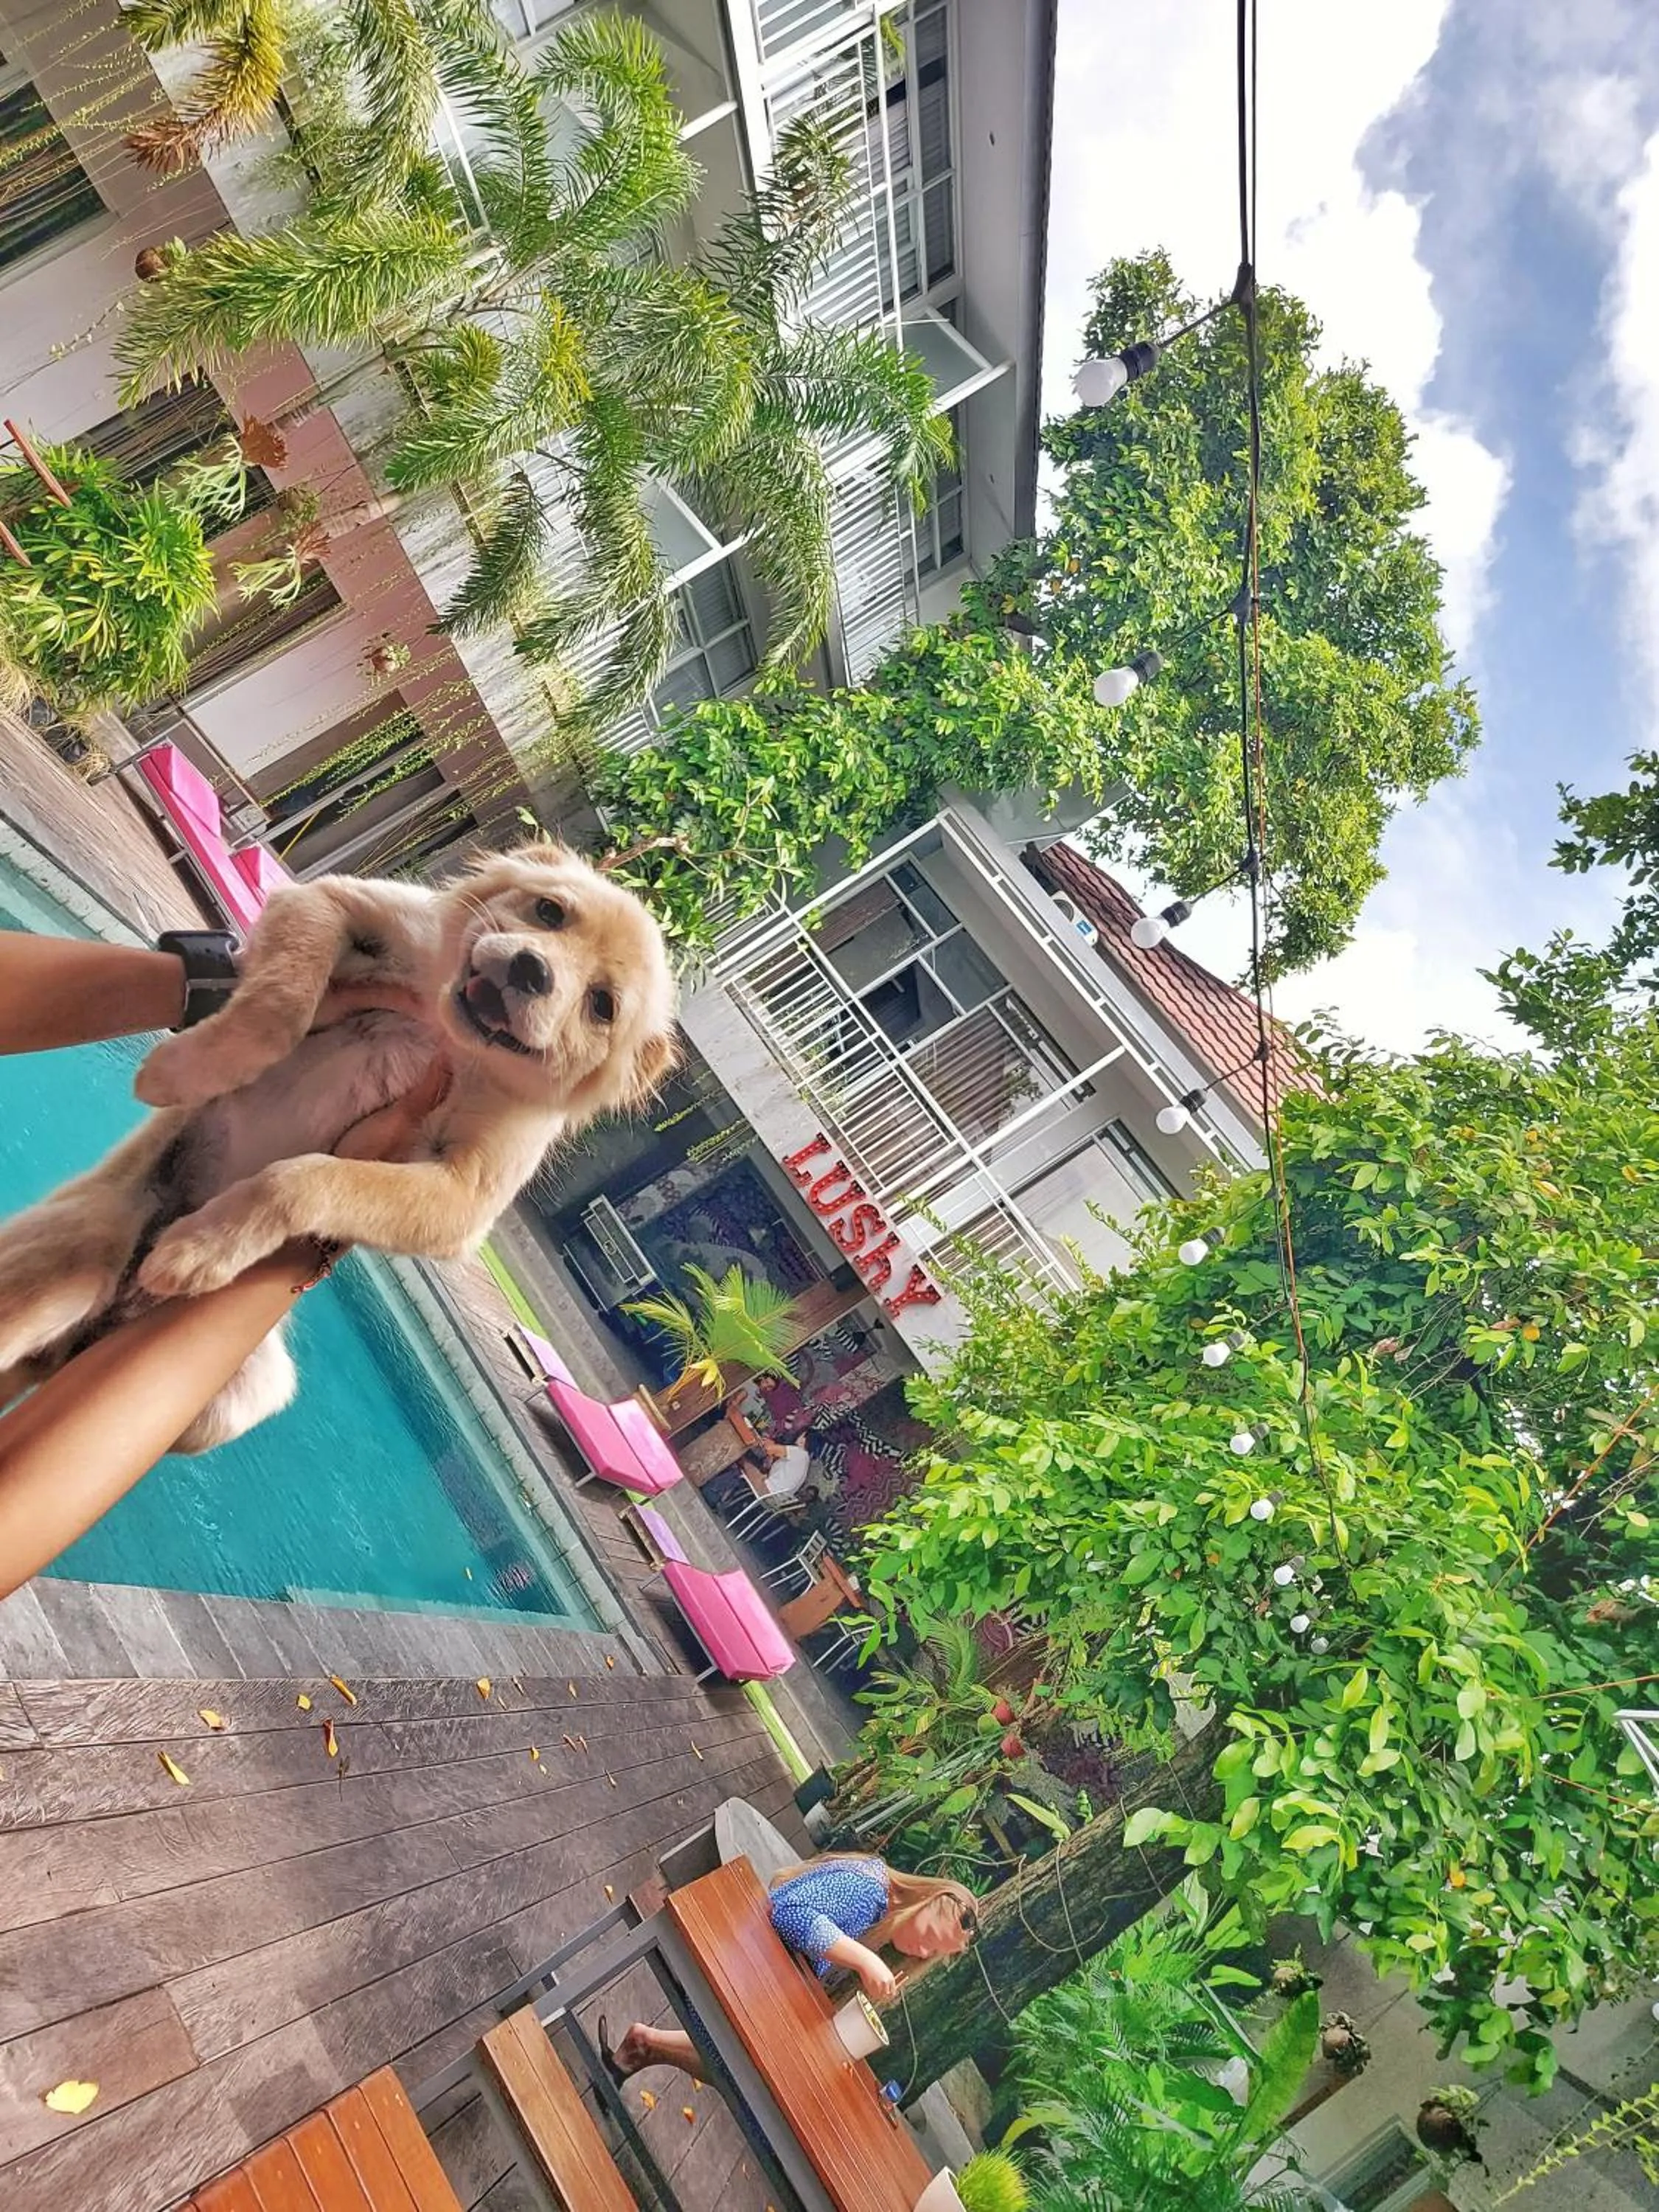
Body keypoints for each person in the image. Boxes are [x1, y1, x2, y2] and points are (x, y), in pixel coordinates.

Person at [597, 1854, 978, 2084]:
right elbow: (791, 1914)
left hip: (755, 1966)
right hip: (733, 1961)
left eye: (932, 1951)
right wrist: (865, 1960)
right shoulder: (869, 1891)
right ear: (924, 1899)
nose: (922, 1948)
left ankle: (645, 2044)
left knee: (762, 2071)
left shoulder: (882, 1907)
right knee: (751, 2076)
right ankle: (645, 2044)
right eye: (929, 1934)